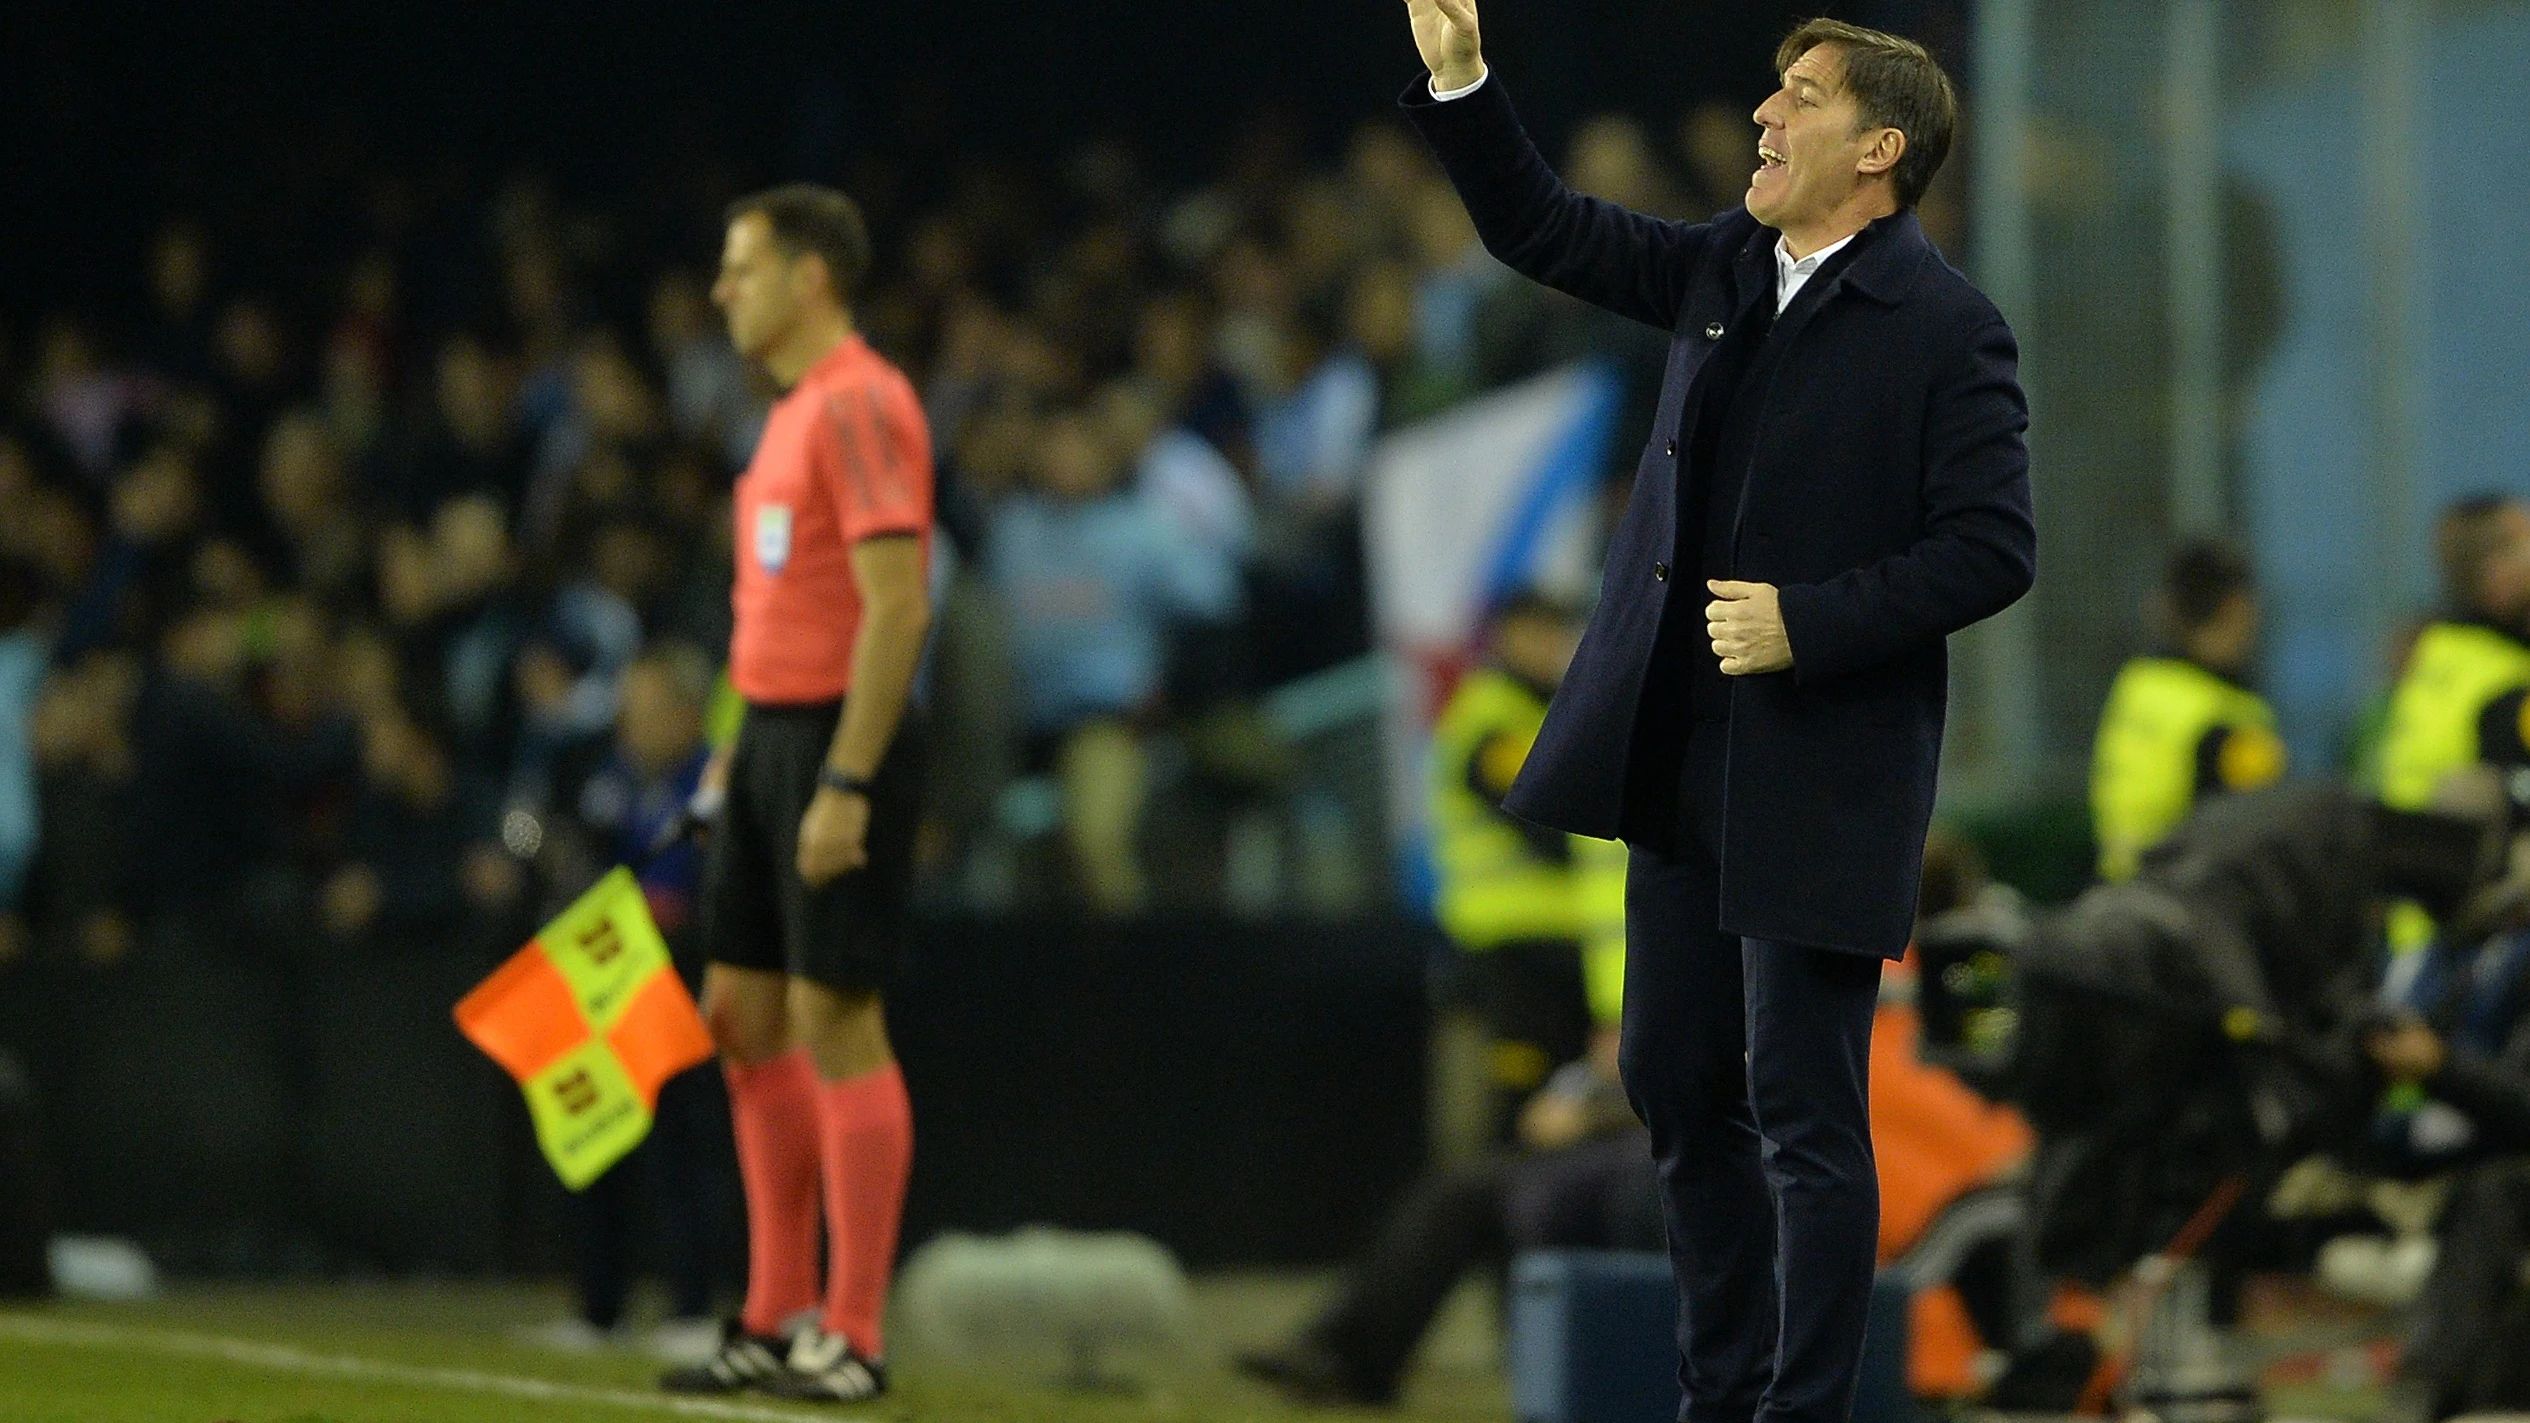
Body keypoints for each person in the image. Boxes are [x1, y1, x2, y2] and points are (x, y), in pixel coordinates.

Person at [1398, 6, 2036, 1422]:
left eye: (1797, 98)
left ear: (1878, 148)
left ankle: (1800, 1407)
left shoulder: (1948, 326)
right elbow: (1544, 232)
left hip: (1823, 770)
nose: (1761, 115)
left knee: (1805, 1111)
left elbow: (1992, 547)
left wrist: (1808, 623)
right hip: (1680, 759)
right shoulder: (1722, 267)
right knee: (1675, 1084)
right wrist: (1462, 81)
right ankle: (1717, 1391)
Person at [661, 185, 933, 1406]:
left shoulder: (866, 400)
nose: (724, 291)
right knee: (740, 1015)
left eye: (742, 267)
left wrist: (846, 782)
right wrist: (727, 761)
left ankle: (855, 1332)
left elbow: (898, 608)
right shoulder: (782, 420)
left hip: (835, 740)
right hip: (767, 739)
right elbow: (761, 615)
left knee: (836, 1018)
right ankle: (773, 1314)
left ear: (810, 275)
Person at [1426, 591, 1604, 1139]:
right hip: (1509, 951)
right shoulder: (1490, 721)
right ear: (1504, 639)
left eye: (1558, 632)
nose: (1553, 646)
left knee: (1569, 1104)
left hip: (1571, 948)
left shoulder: (1551, 714)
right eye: (1538, 633)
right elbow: (1546, 823)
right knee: (1517, 1107)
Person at [2376, 495, 2530, 954]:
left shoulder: (2438, 658)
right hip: (2475, 947)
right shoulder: (2503, 688)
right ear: (2496, 575)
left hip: (2417, 939)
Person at [2089, 538, 2285, 882]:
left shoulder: (2137, 688)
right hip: (2196, 910)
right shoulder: (2231, 721)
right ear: (2235, 608)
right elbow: (2263, 841)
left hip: (2122, 895)